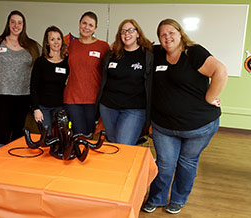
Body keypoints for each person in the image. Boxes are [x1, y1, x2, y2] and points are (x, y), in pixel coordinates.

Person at [142, 18, 228, 214]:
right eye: (162, 35)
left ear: (180, 33)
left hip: (198, 127)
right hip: (164, 126)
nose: (167, 37)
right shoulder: (157, 54)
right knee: (164, 164)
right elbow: (133, 45)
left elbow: (220, 71)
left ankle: (179, 199)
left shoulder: (194, 53)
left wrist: (210, 97)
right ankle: (157, 198)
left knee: (187, 162)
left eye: (171, 32)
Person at [0, 10, 41, 146]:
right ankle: (0, 161)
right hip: (1, 95)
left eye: (19, 22)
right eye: (13, 22)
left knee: (18, 131)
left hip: (23, 95)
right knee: (3, 131)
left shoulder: (32, 45)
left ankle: (14, 161)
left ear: (23, 25)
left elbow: (46, 60)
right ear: (8, 24)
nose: (16, 25)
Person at [96, 19, 153, 145]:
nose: (127, 34)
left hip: (134, 109)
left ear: (138, 34)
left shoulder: (148, 56)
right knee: (113, 142)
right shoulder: (111, 54)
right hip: (108, 107)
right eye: (123, 31)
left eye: (131, 30)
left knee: (124, 144)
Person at [64, 11, 109, 135]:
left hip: (93, 99)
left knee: (89, 134)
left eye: (90, 25)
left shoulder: (103, 46)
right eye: (84, 23)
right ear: (79, 24)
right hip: (72, 98)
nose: (86, 27)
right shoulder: (70, 45)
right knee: (78, 134)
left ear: (95, 28)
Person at [30, 26, 69, 135]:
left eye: (58, 39)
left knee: (61, 137)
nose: (56, 42)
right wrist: (35, 108)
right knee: (47, 138)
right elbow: (33, 86)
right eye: (52, 39)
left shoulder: (67, 62)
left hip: (60, 107)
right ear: (47, 43)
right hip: (43, 108)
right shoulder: (40, 62)